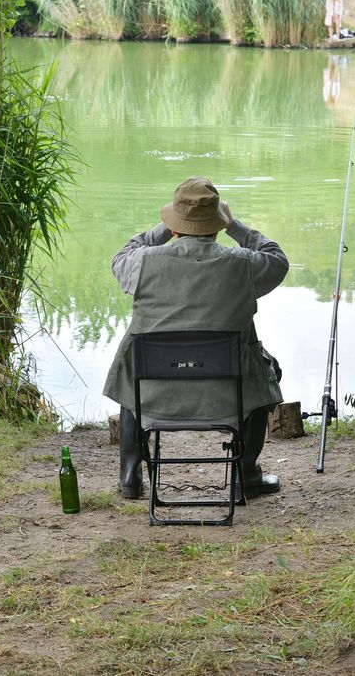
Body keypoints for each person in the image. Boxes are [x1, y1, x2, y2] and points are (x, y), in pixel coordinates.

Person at [103, 177, 288, 501]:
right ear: (218, 225)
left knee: (134, 358)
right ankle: (245, 474)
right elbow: (278, 260)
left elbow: (121, 256)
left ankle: (130, 475)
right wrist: (236, 226)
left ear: (174, 225)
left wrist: (164, 228)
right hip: (229, 399)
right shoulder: (243, 264)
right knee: (258, 362)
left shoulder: (143, 263)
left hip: (152, 397)